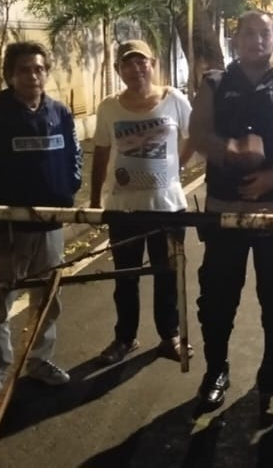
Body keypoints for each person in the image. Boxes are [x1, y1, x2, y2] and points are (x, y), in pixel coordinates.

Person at [189, 10, 273, 412]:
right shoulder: (214, 83)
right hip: (223, 212)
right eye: (248, 33)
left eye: (264, 33)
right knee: (217, 296)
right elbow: (198, 132)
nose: (256, 40)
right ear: (236, 39)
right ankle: (216, 371)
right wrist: (227, 152)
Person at [0, 41, 83, 404]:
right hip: (8, 228)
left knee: (48, 299)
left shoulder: (60, 113)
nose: (33, 76)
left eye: (38, 69)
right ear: (10, 75)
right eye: (24, 70)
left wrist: (68, 190)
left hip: (51, 225)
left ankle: (38, 361)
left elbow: (75, 157)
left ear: (46, 73)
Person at [90, 39, 194, 365]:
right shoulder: (109, 107)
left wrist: (178, 166)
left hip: (167, 206)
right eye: (127, 63)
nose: (135, 69)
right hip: (123, 209)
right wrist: (94, 200)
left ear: (152, 63)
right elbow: (101, 151)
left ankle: (169, 336)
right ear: (118, 69)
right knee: (126, 276)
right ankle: (125, 338)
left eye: (141, 62)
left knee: (167, 274)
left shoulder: (174, 99)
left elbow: (194, 135)